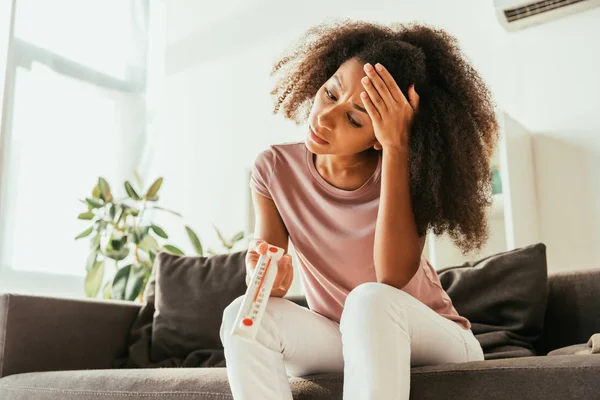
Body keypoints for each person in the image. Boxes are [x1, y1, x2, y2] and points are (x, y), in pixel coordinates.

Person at [219, 18, 499, 400]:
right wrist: (268, 279)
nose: (323, 118)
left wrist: (399, 147)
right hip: (342, 339)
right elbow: (267, 268)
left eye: (353, 119)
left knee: (369, 299)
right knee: (243, 314)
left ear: (378, 137)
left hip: (434, 337)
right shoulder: (273, 169)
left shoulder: (404, 173)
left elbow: (392, 276)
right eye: (331, 93)